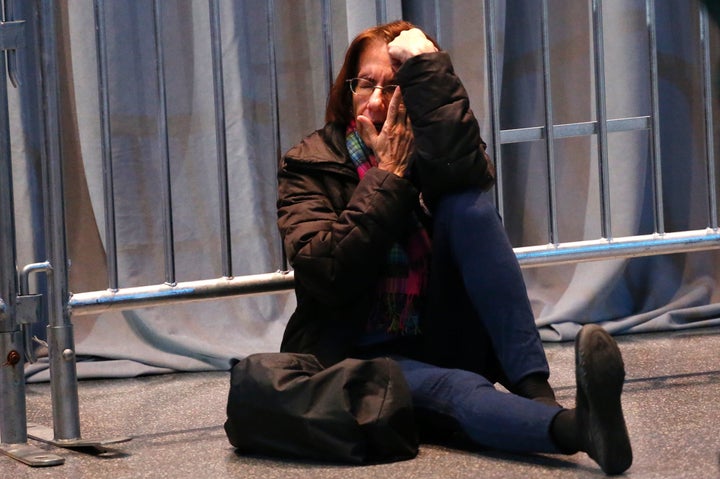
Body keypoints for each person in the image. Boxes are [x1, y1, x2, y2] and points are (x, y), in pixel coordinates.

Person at [276, 20, 632, 475]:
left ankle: (536, 392)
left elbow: (470, 175)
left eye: (397, 86)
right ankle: (579, 430)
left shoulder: (433, 148)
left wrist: (427, 68)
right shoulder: (310, 163)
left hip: (440, 329)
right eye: (365, 85)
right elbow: (324, 271)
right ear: (347, 90)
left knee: (469, 207)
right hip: (359, 353)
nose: (378, 101)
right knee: (458, 389)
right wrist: (388, 176)